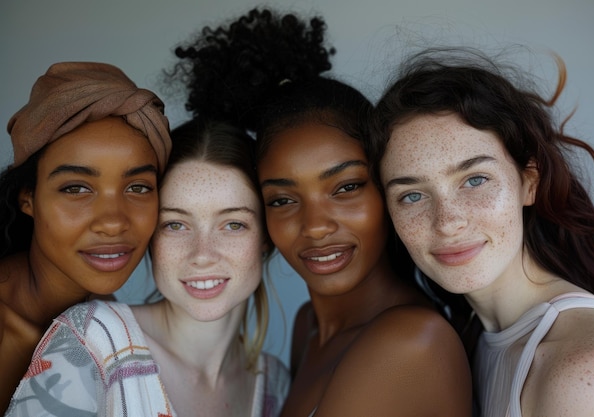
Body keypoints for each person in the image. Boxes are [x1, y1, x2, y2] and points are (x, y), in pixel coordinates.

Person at [171, 8, 472, 417]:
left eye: (346, 188)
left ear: (387, 187)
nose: (315, 226)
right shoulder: (307, 326)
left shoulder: (412, 341)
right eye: (282, 200)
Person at [373, 47, 594, 417]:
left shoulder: (586, 373)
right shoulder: (471, 338)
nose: (447, 221)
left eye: (475, 179)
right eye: (411, 195)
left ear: (529, 181)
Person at [5, 117, 290, 416]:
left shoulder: (275, 385)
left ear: (266, 235)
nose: (202, 255)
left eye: (233, 224)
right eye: (175, 224)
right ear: (151, 234)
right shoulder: (92, 343)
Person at [0, 61, 171, 414]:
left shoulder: (108, 327)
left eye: (138, 187)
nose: (112, 223)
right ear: (27, 198)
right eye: (76, 188)